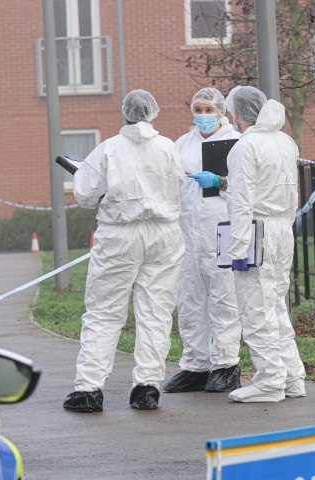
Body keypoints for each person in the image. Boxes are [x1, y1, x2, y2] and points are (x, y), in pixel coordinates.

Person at [63, 89, 185, 413]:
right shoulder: (168, 147)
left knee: (104, 312)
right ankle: (147, 388)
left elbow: (86, 195)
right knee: (156, 312)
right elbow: (180, 188)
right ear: (153, 113)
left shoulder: (108, 150)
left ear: (125, 113)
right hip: (164, 234)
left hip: (119, 235)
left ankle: (89, 389)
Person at [222, 86, 306, 403]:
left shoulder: (246, 146)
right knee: (275, 306)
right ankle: (292, 376)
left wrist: (239, 246)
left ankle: (270, 380)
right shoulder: (285, 142)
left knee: (257, 307)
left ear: (239, 113)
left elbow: (241, 201)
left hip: (257, 229)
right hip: (283, 227)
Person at [162, 87, 243, 394]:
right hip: (187, 233)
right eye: (198, 109)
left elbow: (249, 187)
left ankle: (226, 364)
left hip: (223, 228)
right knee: (190, 298)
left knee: (224, 296)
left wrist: (220, 183)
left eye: (209, 110)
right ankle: (196, 365)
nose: (203, 115)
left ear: (222, 112)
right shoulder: (181, 144)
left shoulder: (237, 144)